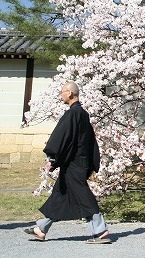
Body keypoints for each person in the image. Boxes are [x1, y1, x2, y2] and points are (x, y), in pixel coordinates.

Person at [24, 81, 111, 244]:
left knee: (83, 195)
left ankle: (100, 231)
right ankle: (41, 229)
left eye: (63, 91)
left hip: (74, 164)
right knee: (60, 195)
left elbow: (63, 138)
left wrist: (52, 158)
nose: (61, 95)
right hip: (79, 162)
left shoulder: (72, 114)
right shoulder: (83, 113)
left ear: (70, 93)